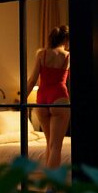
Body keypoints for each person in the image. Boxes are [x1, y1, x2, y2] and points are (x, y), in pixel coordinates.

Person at [27, 25, 70, 170]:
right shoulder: (67, 56)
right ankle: (51, 188)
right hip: (59, 96)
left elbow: (32, 80)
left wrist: (21, 101)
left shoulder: (42, 54)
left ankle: (48, 183)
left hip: (42, 98)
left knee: (49, 143)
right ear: (65, 39)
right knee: (56, 147)